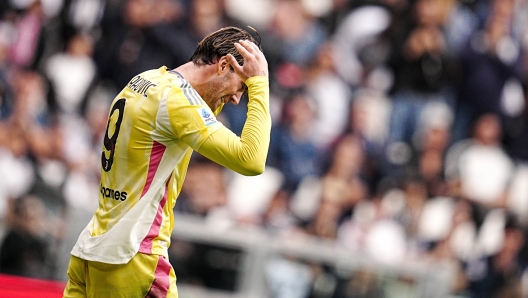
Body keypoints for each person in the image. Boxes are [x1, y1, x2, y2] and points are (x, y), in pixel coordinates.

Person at [62, 26, 271, 297]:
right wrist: (260, 85)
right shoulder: (179, 104)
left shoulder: (147, 80)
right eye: (241, 87)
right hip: (134, 256)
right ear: (223, 65)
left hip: (93, 249)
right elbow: (251, 160)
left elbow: (204, 106)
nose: (235, 98)